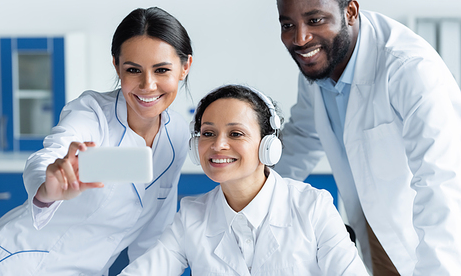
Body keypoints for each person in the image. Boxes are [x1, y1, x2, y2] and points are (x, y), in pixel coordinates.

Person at [0, 6, 193, 276]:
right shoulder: (92, 112)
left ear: (184, 67)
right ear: (117, 66)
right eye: (133, 70)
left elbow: (154, 236)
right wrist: (50, 187)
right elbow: (49, 156)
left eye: (162, 69)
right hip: (16, 264)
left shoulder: (177, 134)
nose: (148, 85)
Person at [274, 0, 461, 275]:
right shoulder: (318, 64)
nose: (300, 38)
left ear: (350, 12)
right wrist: (252, 191)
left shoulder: (409, 70)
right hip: (375, 239)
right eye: (288, 24)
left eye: (315, 20)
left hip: (429, 244)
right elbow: (304, 136)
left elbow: (442, 183)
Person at [118, 84, 368, 275]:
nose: (218, 145)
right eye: (208, 133)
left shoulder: (313, 208)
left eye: (236, 133)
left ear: (268, 146)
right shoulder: (191, 217)